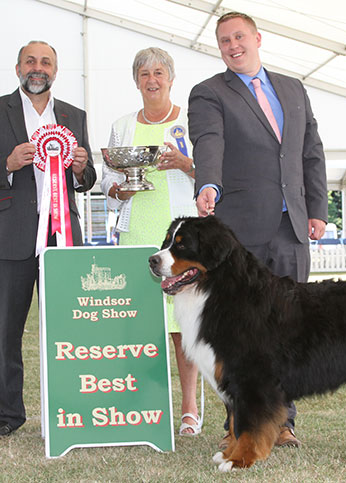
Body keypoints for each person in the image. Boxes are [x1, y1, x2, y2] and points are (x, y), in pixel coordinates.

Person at [188, 12, 328, 448]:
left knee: (289, 331)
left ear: (257, 38)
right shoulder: (209, 93)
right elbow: (208, 141)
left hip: (292, 228)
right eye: (224, 40)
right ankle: (243, 425)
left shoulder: (293, 88)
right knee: (240, 335)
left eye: (239, 36)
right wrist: (208, 183)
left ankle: (283, 423)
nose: (233, 45)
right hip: (241, 233)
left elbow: (311, 151)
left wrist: (317, 207)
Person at [101, 47, 201, 436]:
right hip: (136, 232)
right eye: (144, 74)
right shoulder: (122, 126)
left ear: (171, 79)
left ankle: (190, 409)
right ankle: (140, 404)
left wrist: (187, 164)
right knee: (139, 324)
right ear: (136, 80)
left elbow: (211, 172)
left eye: (159, 72)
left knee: (182, 327)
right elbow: (107, 176)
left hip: (180, 237)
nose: (152, 79)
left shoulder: (192, 123)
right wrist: (117, 192)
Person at [0, 40, 96, 436]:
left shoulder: (74, 114)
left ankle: (70, 410)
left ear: (55, 70)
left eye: (46, 62)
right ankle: (7, 416)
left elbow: (88, 181)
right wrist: (6, 165)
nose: (37, 68)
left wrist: (79, 169)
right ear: (17, 67)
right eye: (30, 61)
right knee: (5, 332)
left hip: (63, 237)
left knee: (68, 330)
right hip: (11, 239)